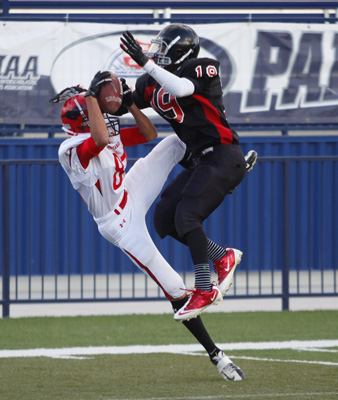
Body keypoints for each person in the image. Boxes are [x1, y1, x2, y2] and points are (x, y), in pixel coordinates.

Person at [50, 71, 245, 381]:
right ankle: (217, 356)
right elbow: (99, 139)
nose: (101, 113)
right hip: (118, 223)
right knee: (175, 290)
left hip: (129, 191)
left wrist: (130, 103)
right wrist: (90, 95)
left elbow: (148, 133)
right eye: (93, 112)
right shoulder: (70, 149)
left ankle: (217, 169)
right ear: (83, 118)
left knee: (173, 143)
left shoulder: (100, 129)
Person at [120, 24, 257, 321]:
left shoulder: (202, 67)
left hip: (221, 154)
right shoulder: (150, 81)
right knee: (165, 218)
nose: (155, 53)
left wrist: (146, 63)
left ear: (180, 50)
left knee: (188, 216)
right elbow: (122, 103)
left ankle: (205, 288)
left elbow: (181, 88)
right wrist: (97, 92)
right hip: (200, 160)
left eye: (162, 47)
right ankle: (223, 257)